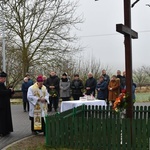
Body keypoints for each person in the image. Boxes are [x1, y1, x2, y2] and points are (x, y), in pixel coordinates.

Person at [0, 71, 14, 137]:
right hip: (1, 105)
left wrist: (10, 91)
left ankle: (6, 130)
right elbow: (2, 93)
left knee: (6, 117)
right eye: (4, 78)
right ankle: (2, 131)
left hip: (5, 104)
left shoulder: (3, 85)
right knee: (2, 118)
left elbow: (5, 92)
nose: (4, 80)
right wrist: (9, 90)